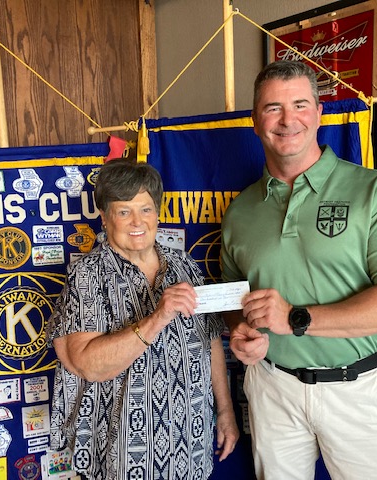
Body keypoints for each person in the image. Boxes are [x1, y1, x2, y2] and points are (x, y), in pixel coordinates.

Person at [220, 60, 377, 480]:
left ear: (318, 113)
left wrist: (295, 318)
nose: (287, 119)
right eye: (272, 108)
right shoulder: (241, 210)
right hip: (271, 387)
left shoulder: (374, 191)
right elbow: (235, 302)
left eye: (300, 104)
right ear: (255, 120)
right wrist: (245, 333)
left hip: (356, 390)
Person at [48, 159, 239, 479]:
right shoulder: (89, 275)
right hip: (123, 452)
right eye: (124, 211)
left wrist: (225, 410)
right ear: (105, 218)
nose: (137, 221)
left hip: (190, 443)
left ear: (158, 213)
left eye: (146, 209)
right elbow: (87, 364)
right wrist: (157, 317)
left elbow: (210, 344)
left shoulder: (184, 265)